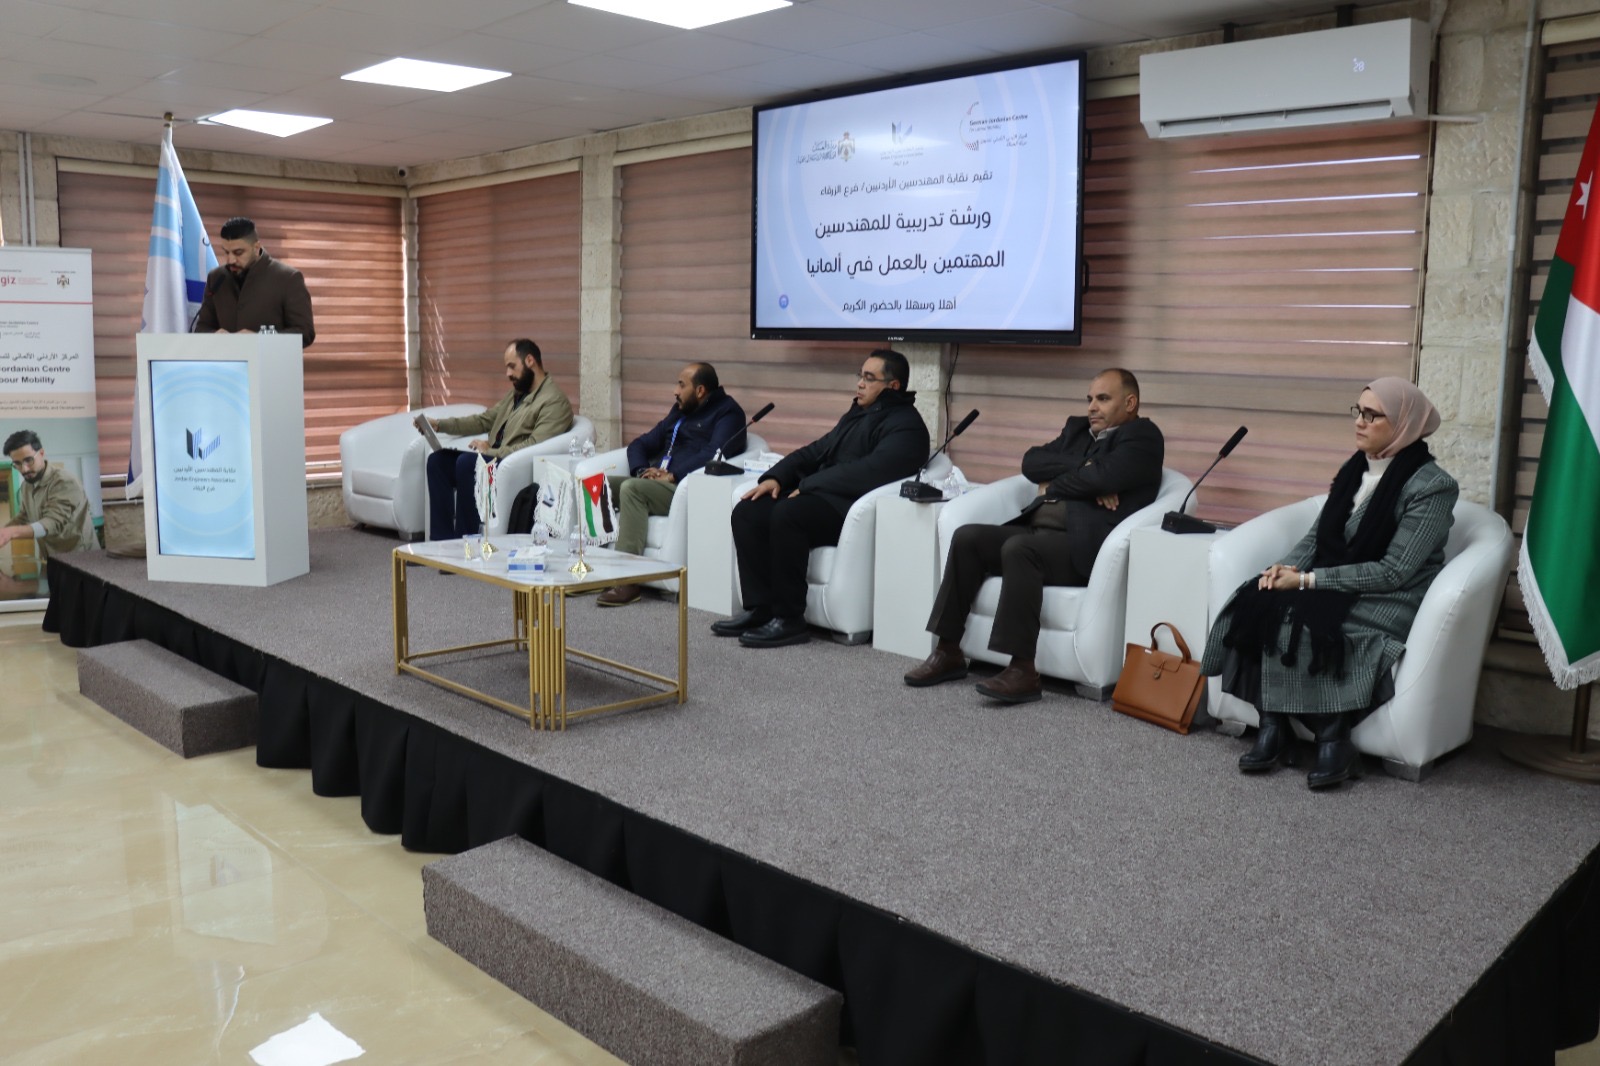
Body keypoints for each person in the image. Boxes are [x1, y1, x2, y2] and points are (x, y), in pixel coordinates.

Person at [1200, 378, 1457, 790]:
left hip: (1388, 594)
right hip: (1335, 579)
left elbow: (1394, 571)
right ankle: (1273, 728)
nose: (1359, 422)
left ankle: (1333, 741)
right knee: (1255, 602)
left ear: (1405, 424)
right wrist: (1281, 570)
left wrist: (1306, 581)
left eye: (1372, 415)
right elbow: (1318, 538)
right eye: (1358, 411)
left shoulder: (1432, 487)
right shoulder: (1356, 467)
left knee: (1309, 624)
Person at [905, 368, 1164, 704]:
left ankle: (1023, 670)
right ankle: (948, 650)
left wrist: (1058, 483)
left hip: (1083, 545)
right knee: (968, 538)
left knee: (1020, 548)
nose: (1092, 407)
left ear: (1130, 403)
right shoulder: (1078, 430)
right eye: (1089, 399)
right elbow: (1031, 462)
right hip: (1038, 530)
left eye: (1103, 399)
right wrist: (1086, 470)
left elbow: (1103, 478)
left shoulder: (1143, 437)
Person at [713, 349, 929, 648]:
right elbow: (817, 450)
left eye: (869, 378)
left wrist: (809, 485)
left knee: (788, 513)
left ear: (893, 386)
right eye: (860, 376)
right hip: (822, 496)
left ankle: (789, 619)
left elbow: (869, 472)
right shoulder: (859, 413)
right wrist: (776, 477)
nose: (860, 384)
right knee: (748, 511)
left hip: (848, 508)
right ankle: (760, 608)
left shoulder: (907, 426)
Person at [597, 363, 746, 606]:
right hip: (657, 483)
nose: (675, 391)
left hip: (685, 488)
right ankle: (591, 565)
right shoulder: (680, 411)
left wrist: (673, 475)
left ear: (700, 390)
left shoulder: (728, 413)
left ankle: (626, 580)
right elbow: (640, 444)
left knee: (632, 490)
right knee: (597, 484)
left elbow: (714, 453)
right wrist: (642, 471)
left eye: (681, 385)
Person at [425, 339, 575, 541]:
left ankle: (464, 544)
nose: (508, 373)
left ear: (530, 361)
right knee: (438, 461)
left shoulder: (554, 401)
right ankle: (440, 543)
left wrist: (490, 451)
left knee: (467, 464)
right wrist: (440, 425)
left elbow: (535, 446)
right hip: (495, 458)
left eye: (512, 366)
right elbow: (484, 420)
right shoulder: (517, 394)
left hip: (512, 466)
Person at [193, 217, 316, 344]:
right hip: (225, 357)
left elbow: (305, 333)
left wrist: (260, 338)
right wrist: (214, 335)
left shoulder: (288, 278)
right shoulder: (216, 277)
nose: (230, 260)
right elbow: (202, 328)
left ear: (256, 248)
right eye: (226, 252)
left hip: (271, 357)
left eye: (238, 253)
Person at [1, 430, 97, 565]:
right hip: (51, 559)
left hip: (81, 560)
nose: (24, 469)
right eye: (17, 463)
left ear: (41, 453)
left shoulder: (64, 481)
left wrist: (12, 532)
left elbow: (52, 523)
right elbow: (24, 516)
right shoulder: (26, 487)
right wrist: (3, 532)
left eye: (28, 460)